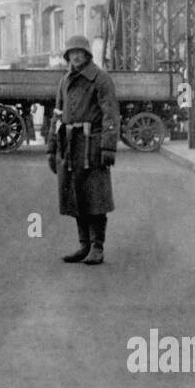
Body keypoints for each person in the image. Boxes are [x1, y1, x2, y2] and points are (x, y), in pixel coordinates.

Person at [47, 35, 120, 266]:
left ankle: (97, 246)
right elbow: (57, 115)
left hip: (92, 145)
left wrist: (108, 147)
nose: (75, 56)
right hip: (69, 145)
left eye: (80, 52)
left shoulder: (101, 79)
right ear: (67, 56)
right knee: (75, 195)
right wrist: (51, 148)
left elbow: (110, 114)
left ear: (87, 54)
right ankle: (84, 244)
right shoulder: (64, 81)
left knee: (95, 196)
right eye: (71, 53)